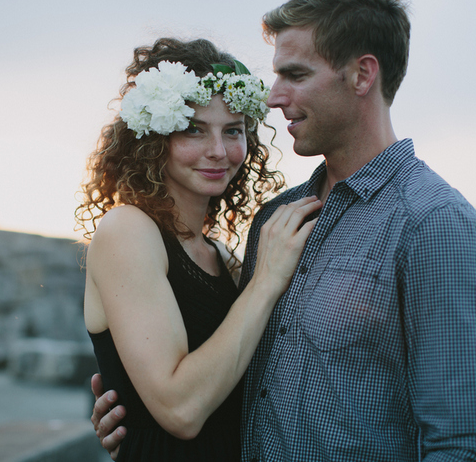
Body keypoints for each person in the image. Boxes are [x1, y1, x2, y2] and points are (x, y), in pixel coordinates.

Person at [92, 0, 476, 460]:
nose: (273, 97)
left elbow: (468, 445)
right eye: (194, 129)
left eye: (295, 75)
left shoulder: (434, 226)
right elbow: (240, 386)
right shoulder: (276, 222)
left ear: (362, 75)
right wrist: (134, 410)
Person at [77, 37, 321, 462]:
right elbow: (181, 411)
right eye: (194, 129)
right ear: (155, 138)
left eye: (233, 131)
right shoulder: (127, 230)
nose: (219, 151)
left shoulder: (222, 259)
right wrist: (265, 282)